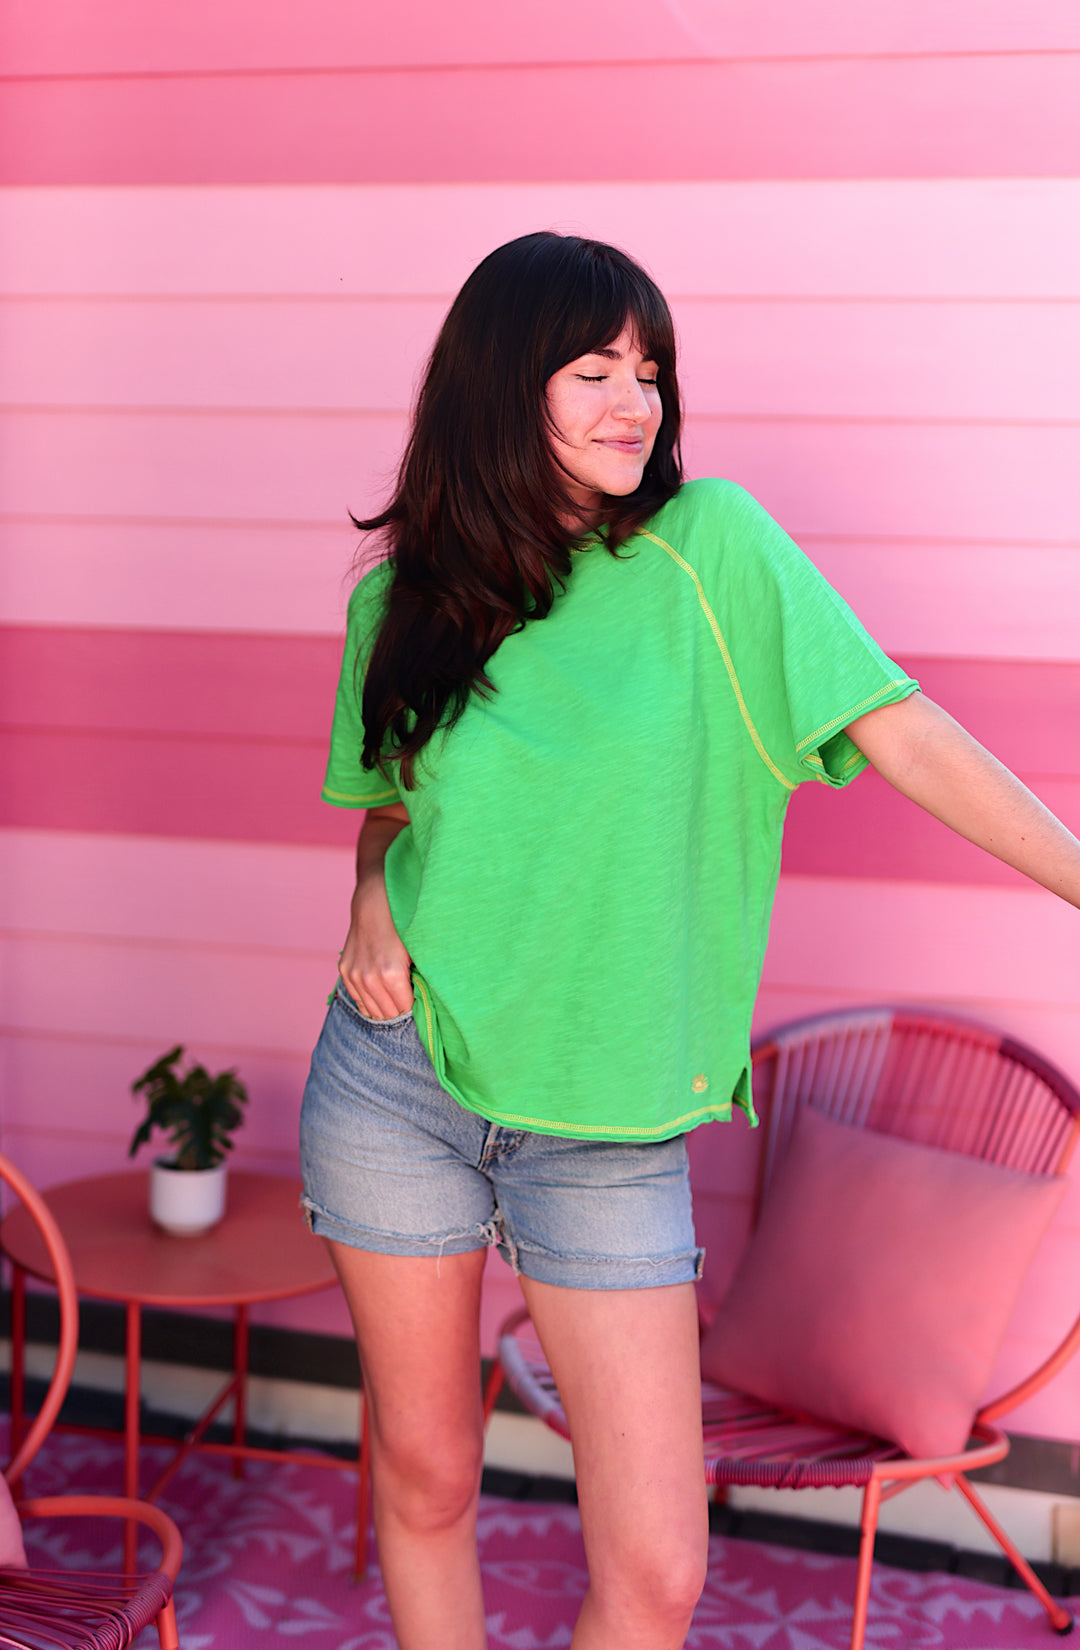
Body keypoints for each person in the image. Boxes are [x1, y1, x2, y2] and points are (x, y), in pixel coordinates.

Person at [299, 231, 1080, 1650]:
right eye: (592, 368)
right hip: (399, 1083)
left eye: (649, 368)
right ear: (496, 390)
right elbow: (396, 815)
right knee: (425, 1476)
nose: (635, 401)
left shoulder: (708, 547)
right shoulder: (396, 605)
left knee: (657, 1568)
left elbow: (896, 727)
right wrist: (368, 896)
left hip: (608, 1118)